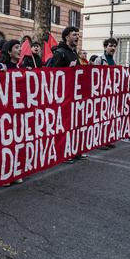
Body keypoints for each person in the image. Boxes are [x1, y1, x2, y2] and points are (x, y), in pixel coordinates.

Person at [50, 27, 88, 162]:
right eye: (74, 35)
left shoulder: (74, 53)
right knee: (66, 125)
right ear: (67, 37)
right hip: (65, 96)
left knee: (75, 124)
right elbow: (54, 74)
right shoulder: (60, 53)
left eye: (78, 34)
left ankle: (76, 150)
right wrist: (67, 70)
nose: (77, 37)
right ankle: (64, 152)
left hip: (75, 95)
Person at [0, 39, 24, 186]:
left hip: (16, 112)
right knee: (4, 145)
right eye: (17, 47)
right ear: (9, 51)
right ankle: (2, 173)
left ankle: (14, 171)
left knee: (15, 143)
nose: (20, 50)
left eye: (20, 47)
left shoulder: (19, 67)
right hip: (3, 113)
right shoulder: (1, 66)